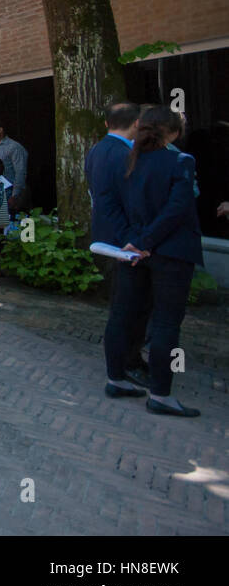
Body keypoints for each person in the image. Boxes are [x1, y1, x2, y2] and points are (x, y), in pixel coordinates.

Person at [105, 106, 203, 416]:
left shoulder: (128, 161)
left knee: (122, 314)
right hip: (170, 253)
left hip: (133, 251)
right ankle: (160, 395)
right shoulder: (181, 161)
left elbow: (110, 204)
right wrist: (147, 243)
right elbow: (178, 209)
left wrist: (132, 242)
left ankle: (116, 378)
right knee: (166, 322)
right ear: (173, 133)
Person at [87, 102, 146, 383]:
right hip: (126, 241)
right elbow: (133, 202)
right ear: (136, 124)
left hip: (107, 235)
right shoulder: (127, 154)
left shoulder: (96, 150)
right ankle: (125, 365)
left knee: (123, 303)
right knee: (129, 306)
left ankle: (122, 364)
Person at [0, 119, 29, 217]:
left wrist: (15, 195)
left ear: (0, 130)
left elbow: (20, 172)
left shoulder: (13, 147)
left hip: (9, 194)